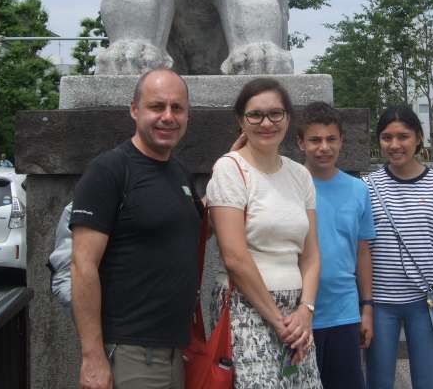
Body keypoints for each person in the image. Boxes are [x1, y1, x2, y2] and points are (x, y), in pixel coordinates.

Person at [70, 68, 202, 389]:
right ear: (134, 110)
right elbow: (82, 265)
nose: (168, 117)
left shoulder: (180, 171)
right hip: (130, 351)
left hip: (176, 350)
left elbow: (193, 229)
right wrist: (92, 356)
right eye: (157, 107)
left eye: (177, 108)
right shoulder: (110, 169)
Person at [206, 78, 323, 389]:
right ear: (240, 121)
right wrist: (279, 322)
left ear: (288, 118)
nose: (266, 123)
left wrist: (305, 311)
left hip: (297, 314)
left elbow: (311, 255)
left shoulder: (300, 175)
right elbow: (234, 257)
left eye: (275, 114)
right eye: (255, 115)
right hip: (248, 309)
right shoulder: (230, 169)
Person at [364, 104, 433, 389]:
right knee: (378, 380)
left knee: (427, 381)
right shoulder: (365, 186)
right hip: (380, 303)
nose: (395, 144)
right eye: (386, 137)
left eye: (403, 136)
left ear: (418, 138)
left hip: (426, 301)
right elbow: (361, 248)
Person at [296, 102, 375, 389]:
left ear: (342, 141)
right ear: (300, 143)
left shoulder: (358, 189)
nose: (323, 147)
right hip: (298, 314)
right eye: (315, 140)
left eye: (331, 139)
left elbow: (362, 251)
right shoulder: (288, 186)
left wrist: (367, 307)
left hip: (344, 312)